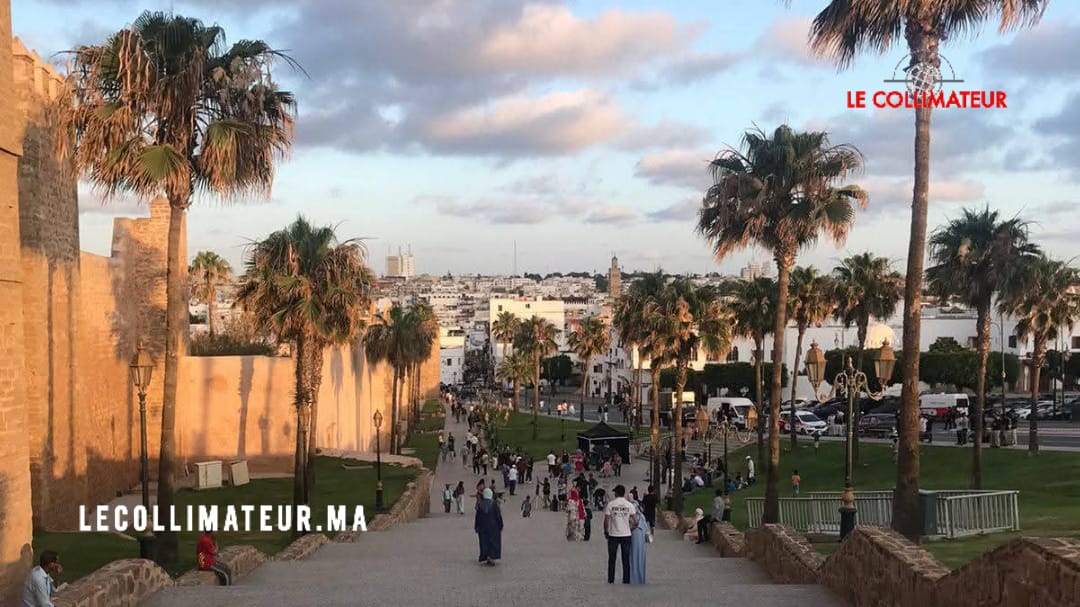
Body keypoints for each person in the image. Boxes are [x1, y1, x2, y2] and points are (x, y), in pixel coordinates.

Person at [604, 485, 637, 584]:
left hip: (613, 534)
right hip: (626, 534)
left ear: (617, 493)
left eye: (614, 492)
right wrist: (631, 529)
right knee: (626, 559)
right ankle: (626, 580)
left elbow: (606, 520)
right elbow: (636, 521)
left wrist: (606, 531)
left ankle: (611, 579)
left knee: (612, 558)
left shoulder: (611, 504)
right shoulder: (629, 505)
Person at [474, 488, 503, 566]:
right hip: (494, 527)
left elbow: (477, 517)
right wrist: (501, 525)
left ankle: (486, 556)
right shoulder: (494, 505)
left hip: (482, 528)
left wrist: (476, 527)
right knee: (493, 542)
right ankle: (491, 556)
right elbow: (498, 516)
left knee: (484, 542)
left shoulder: (480, 505)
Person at [629, 501, 649, 585]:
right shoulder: (642, 517)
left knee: (634, 558)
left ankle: (633, 579)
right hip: (640, 542)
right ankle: (640, 579)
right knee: (639, 559)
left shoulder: (631, 518)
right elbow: (646, 530)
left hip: (634, 540)